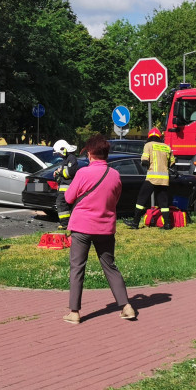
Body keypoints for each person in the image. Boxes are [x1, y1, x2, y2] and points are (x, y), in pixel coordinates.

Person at [62, 134, 137, 324]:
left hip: (81, 227)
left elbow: (69, 198)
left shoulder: (83, 173)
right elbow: (115, 199)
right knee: (110, 266)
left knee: (77, 267)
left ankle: (75, 312)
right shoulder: (115, 175)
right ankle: (126, 306)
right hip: (105, 227)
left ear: (90, 153)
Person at [132, 128, 175, 229]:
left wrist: (146, 163)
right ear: (160, 137)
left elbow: (145, 161)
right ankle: (167, 224)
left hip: (152, 178)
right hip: (164, 179)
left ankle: (135, 223)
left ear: (149, 137)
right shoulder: (166, 147)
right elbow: (172, 163)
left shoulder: (148, 145)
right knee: (163, 202)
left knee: (141, 199)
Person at [51, 139, 80, 230]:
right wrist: (57, 172)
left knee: (61, 203)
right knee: (63, 204)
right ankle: (67, 223)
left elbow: (70, 173)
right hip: (64, 186)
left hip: (67, 187)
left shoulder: (71, 158)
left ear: (63, 149)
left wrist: (60, 172)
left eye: (59, 153)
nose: (59, 155)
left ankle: (65, 224)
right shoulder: (66, 159)